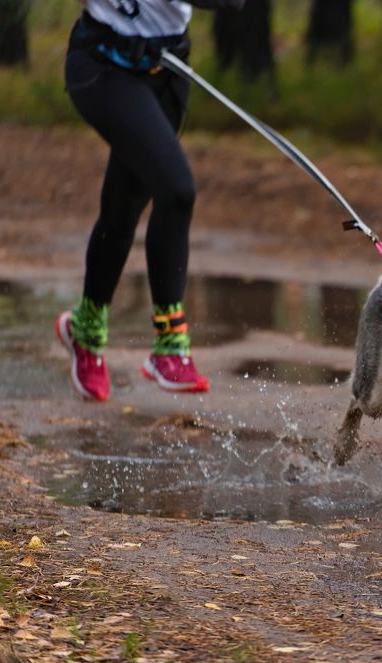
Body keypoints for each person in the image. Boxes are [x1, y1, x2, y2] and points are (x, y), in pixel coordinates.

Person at [56, 0, 243, 401]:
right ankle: (170, 345)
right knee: (177, 189)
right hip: (101, 65)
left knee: (122, 212)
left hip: (166, 72)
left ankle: (85, 330)